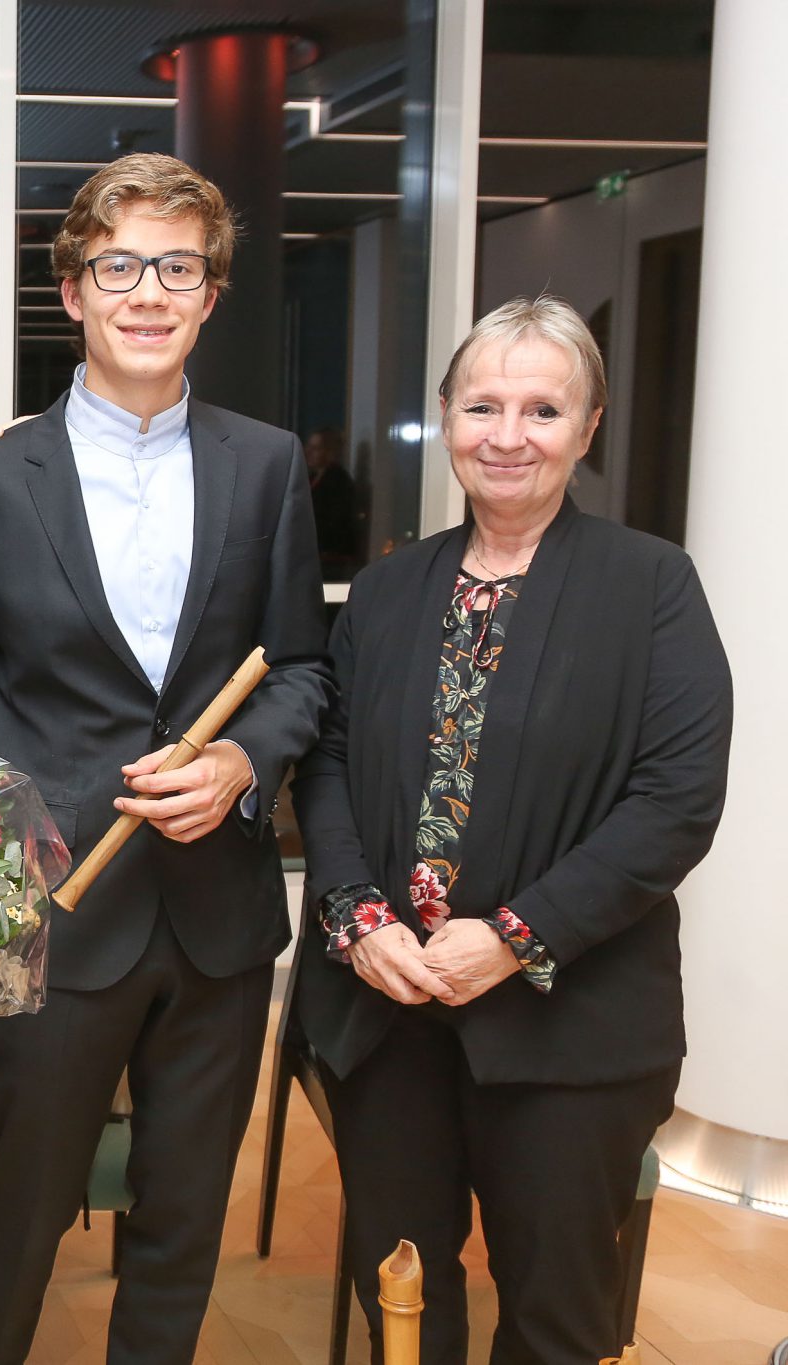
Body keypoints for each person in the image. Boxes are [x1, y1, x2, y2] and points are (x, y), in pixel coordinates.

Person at [0, 152, 333, 1364]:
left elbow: (301, 667)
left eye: (177, 266)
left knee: (179, 1219)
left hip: (218, 919)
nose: (147, 292)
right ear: (72, 290)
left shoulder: (263, 465)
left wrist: (242, 763)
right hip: (54, 916)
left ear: (209, 295)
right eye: (118, 265)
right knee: (23, 1208)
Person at [291, 295, 733, 1363]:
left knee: (552, 1313)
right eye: (481, 405)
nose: (505, 435)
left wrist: (514, 935)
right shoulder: (391, 588)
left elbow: (674, 799)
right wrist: (353, 916)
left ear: (586, 429)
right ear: (444, 417)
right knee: (397, 1295)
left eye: (541, 409)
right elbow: (330, 762)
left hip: (567, 1021)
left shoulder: (651, 586)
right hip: (387, 1008)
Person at [304, 426, 360, 580]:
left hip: (331, 560)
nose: (308, 451)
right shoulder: (310, 478)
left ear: (330, 451)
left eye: (315, 448)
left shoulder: (338, 482)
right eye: (309, 446)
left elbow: (334, 522)